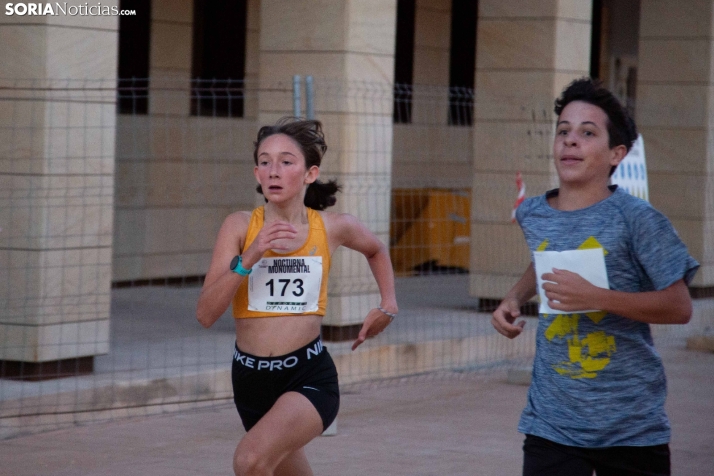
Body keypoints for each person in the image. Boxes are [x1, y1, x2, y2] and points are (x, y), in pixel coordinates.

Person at [492, 78, 699, 476]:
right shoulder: (534, 212)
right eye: (564, 131)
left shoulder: (638, 220)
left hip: (631, 428)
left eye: (588, 133)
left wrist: (596, 296)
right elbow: (544, 259)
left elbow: (679, 306)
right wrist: (514, 297)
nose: (571, 141)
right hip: (550, 422)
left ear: (616, 153)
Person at [196, 117, 398, 476]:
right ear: (256, 174)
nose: (274, 170)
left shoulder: (333, 227)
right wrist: (251, 256)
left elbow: (377, 250)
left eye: (286, 161)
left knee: (250, 460)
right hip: (250, 380)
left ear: (310, 173)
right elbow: (206, 314)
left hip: (307, 376)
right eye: (265, 161)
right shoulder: (240, 227)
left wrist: (388, 304)